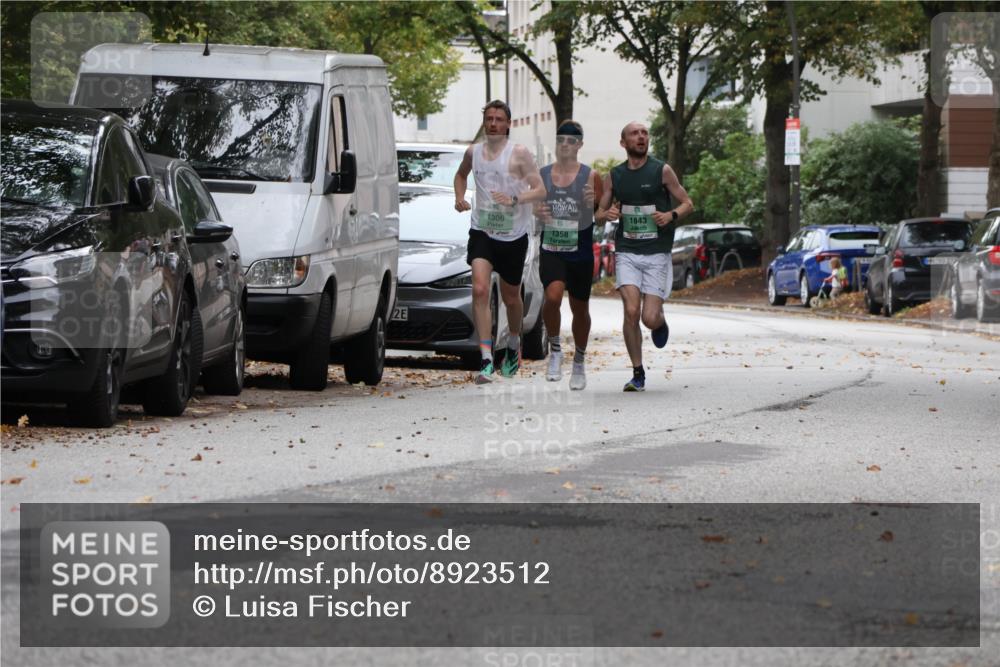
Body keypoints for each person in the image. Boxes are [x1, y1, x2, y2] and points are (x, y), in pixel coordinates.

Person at [596, 121, 694, 392]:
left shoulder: (661, 170)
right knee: (630, 310)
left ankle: (659, 321)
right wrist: (608, 214)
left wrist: (670, 215)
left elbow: (687, 203)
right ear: (623, 143)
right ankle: (637, 372)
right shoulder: (614, 176)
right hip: (627, 250)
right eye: (634, 134)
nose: (641, 137)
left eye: (644, 133)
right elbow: (599, 214)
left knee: (648, 318)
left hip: (656, 252)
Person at [454, 100, 546, 384]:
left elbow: (540, 189)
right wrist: (459, 197)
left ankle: (514, 343)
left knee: (510, 298)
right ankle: (485, 359)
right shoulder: (474, 152)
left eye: (498, 119)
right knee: (480, 289)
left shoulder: (519, 154)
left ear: (508, 124)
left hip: (513, 234)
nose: (493, 123)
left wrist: (515, 199)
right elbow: (460, 175)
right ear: (484, 122)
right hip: (482, 230)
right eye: (489, 118)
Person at [534, 120, 602, 390]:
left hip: (580, 250)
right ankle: (555, 350)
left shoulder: (591, 176)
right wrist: (538, 211)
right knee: (552, 297)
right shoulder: (542, 174)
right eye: (561, 139)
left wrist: (593, 203)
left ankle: (580, 361)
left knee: (579, 308)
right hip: (551, 247)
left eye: (571, 141)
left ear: (579, 145)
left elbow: (601, 211)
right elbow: (534, 207)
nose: (565, 144)